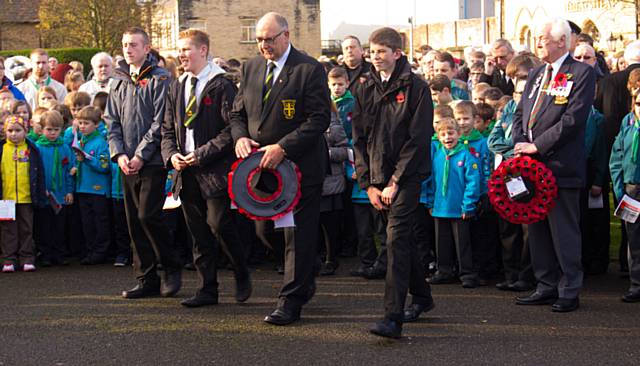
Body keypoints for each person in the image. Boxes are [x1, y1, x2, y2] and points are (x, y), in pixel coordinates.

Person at [230, 12, 330, 325]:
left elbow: (319, 119)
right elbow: (237, 114)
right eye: (259, 39)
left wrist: (283, 147)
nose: (263, 45)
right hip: (261, 169)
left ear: (285, 35)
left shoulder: (308, 69)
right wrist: (240, 138)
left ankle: (290, 301)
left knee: (296, 237)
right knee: (265, 230)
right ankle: (305, 272)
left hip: (299, 167)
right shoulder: (250, 67)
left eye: (269, 39)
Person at [352, 27, 434, 339]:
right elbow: (358, 139)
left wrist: (396, 180)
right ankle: (423, 299)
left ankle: (392, 317)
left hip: (408, 177)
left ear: (397, 53)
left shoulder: (416, 86)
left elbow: (417, 138)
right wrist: (368, 184)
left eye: (382, 51)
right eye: (372, 51)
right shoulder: (364, 85)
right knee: (404, 241)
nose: (375, 56)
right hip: (377, 178)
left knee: (395, 240)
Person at [161, 29, 252, 307]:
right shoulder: (178, 85)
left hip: (213, 170)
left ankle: (240, 271)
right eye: (180, 50)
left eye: (187, 49)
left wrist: (201, 154)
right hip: (185, 170)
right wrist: (172, 155)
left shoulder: (221, 84)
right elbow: (167, 129)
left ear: (203, 50)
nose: (181, 54)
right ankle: (207, 289)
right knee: (198, 231)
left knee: (219, 224)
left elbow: (230, 130)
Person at [512, 18, 596, 313]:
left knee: (563, 232)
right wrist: (521, 141)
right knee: (537, 230)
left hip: (560, 167)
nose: (537, 43)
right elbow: (520, 112)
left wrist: (538, 145)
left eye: (543, 38)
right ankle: (545, 285)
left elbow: (573, 119)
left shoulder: (582, 73)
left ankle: (569, 289)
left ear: (562, 42)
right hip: (530, 167)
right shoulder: (536, 73)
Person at [106, 27, 182, 299]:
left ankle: (171, 267)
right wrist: (120, 154)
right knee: (133, 222)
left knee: (148, 216)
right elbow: (111, 120)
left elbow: (160, 122)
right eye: (125, 44)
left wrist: (140, 155)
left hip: (150, 161)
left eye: (134, 44)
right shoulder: (117, 79)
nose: (128, 49)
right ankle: (146, 278)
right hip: (126, 161)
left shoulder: (161, 79)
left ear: (146, 48)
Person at [426, 117, 482, 286]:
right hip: (440, 207)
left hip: (459, 208)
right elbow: (432, 180)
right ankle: (444, 270)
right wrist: (430, 202)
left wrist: (468, 204)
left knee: (462, 243)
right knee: (441, 242)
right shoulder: (437, 155)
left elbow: (473, 182)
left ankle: (467, 274)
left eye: (450, 133)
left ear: (458, 134)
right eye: (442, 134)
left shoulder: (466, 156)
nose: (447, 137)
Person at [0, 115, 46, 273]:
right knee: (8, 230)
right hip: (6, 199)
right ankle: (8, 259)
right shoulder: (2, 149)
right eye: (10, 130)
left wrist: (40, 195)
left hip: (26, 197)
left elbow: (39, 174)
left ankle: (27, 258)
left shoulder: (31, 150)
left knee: (26, 228)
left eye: (18, 130)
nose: (13, 134)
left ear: (26, 131)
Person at [610, 89, 640, 303]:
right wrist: (620, 191)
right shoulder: (627, 123)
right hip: (632, 189)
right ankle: (636, 284)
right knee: (634, 239)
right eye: (638, 103)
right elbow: (617, 158)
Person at [34, 110, 76, 266]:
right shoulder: (37, 147)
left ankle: (59, 254)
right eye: (49, 129)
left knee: (59, 226)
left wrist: (69, 191)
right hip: (44, 193)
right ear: (42, 129)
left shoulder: (64, 147)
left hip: (61, 193)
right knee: (44, 226)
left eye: (56, 130)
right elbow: (35, 172)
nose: (52, 133)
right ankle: (45, 254)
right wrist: (40, 189)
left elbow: (69, 171)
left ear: (61, 129)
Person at [74, 106, 111, 265]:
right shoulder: (81, 140)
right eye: (80, 123)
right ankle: (90, 250)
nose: (82, 126)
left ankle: (101, 252)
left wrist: (87, 159)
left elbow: (104, 166)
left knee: (100, 222)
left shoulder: (101, 143)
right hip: (82, 188)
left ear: (96, 124)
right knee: (87, 222)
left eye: (86, 123)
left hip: (97, 190)